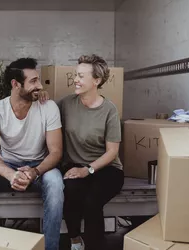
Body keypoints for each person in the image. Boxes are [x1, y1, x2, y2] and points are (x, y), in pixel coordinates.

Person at [0, 58, 64, 250]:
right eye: (33, 81)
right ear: (15, 84)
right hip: (6, 165)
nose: (39, 85)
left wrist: (35, 172)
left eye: (38, 80)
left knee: (56, 185)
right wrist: (11, 175)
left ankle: (50, 247)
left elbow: (56, 152)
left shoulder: (49, 107)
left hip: (39, 165)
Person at [58, 54, 124, 250]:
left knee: (92, 203)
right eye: (75, 75)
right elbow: (43, 111)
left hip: (106, 168)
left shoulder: (109, 110)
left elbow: (112, 152)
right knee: (71, 192)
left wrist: (88, 170)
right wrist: (41, 96)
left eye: (81, 76)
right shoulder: (66, 104)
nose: (75, 80)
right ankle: (75, 240)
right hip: (75, 165)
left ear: (96, 80)